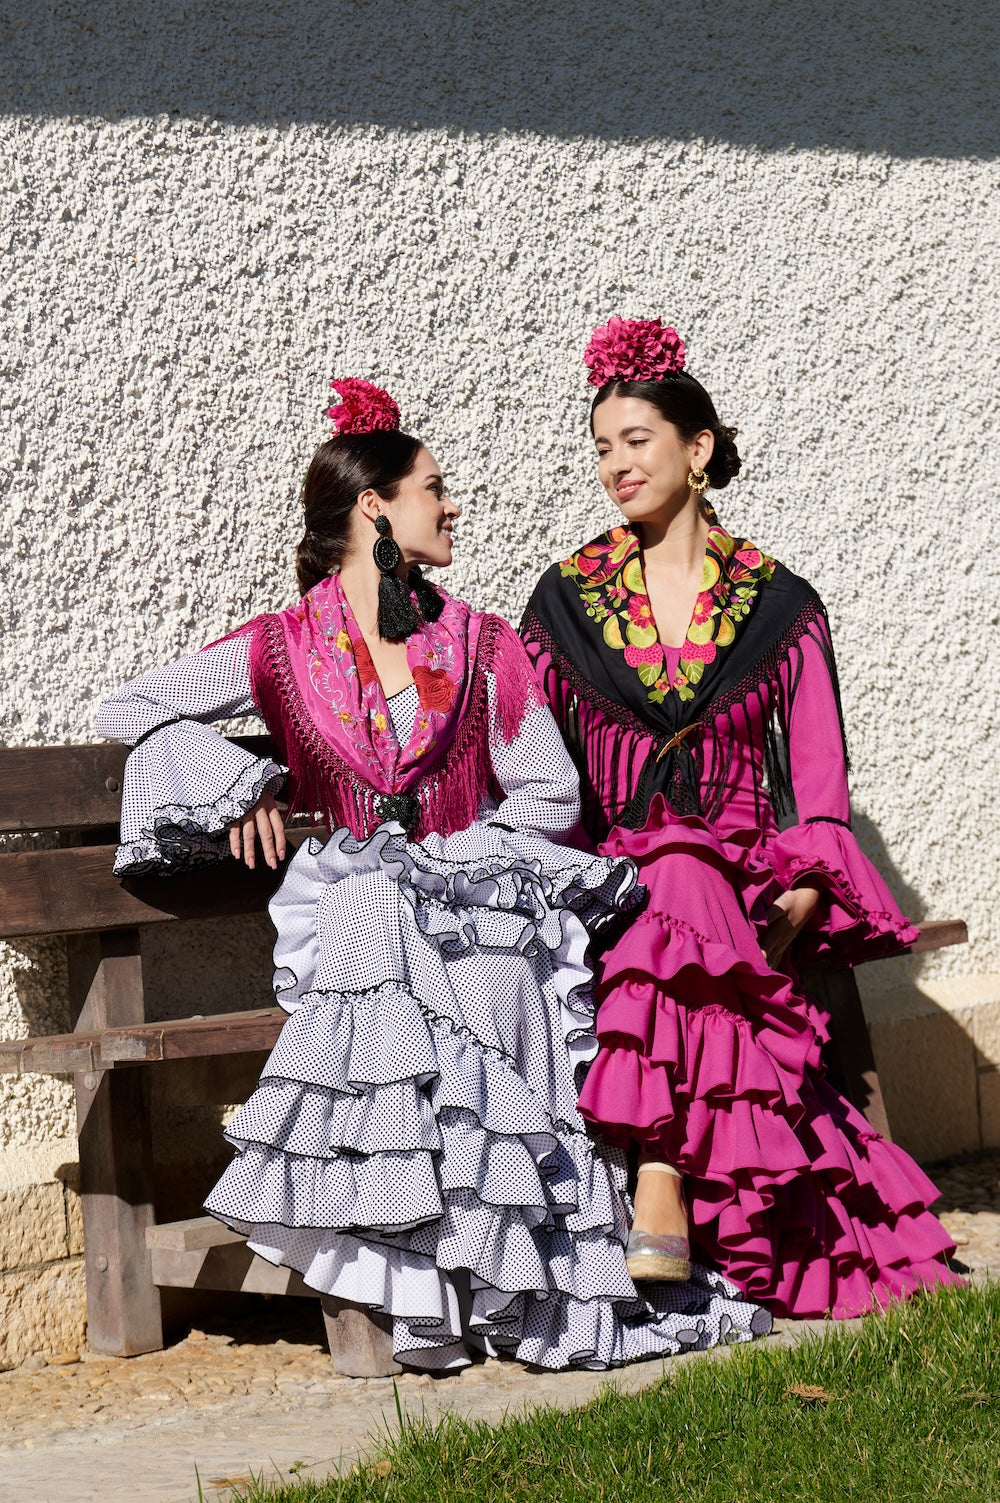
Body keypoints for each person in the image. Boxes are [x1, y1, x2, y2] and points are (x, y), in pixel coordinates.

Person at [96, 377, 772, 1370]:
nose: (454, 506)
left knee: (494, 965)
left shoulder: (483, 645)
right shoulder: (282, 648)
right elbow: (129, 710)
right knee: (381, 907)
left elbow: (545, 794)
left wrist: (462, 857)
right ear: (373, 507)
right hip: (356, 904)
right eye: (434, 488)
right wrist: (237, 783)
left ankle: (510, 1276)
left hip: (478, 900)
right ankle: (433, 1274)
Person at [520, 319, 960, 1318]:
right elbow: (534, 769)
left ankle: (662, 1176)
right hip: (612, 880)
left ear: (697, 448)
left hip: (750, 882)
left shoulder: (779, 605)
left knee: (691, 864)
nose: (614, 465)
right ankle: (696, 1185)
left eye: (635, 441)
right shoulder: (564, 600)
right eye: (600, 448)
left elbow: (814, 785)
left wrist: (808, 882)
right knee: (671, 862)